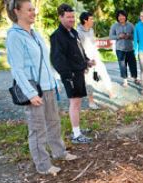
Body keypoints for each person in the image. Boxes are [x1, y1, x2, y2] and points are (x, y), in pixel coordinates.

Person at [5, 0, 77, 175]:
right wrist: (30, 94)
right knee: (38, 130)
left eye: (33, 10)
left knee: (54, 123)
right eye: (29, 10)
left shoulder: (35, 34)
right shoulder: (14, 36)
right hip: (34, 91)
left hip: (48, 86)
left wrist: (54, 81)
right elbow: (17, 68)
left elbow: (45, 61)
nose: (33, 13)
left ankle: (59, 152)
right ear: (17, 11)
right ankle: (44, 165)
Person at [50, 3, 93, 144]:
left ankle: (77, 128)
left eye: (73, 17)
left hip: (79, 72)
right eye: (68, 17)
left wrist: (86, 61)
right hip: (70, 76)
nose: (72, 19)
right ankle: (76, 135)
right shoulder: (57, 36)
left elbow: (79, 50)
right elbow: (56, 60)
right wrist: (68, 76)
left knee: (78, 102)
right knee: (74, 103)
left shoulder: (73, 32)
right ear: (60, 17)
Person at [77, 12, 116, 109]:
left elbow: (93, 43)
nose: (93, 21)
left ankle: (111, 92)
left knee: (104, 73)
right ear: (85, 20)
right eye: (91, 19)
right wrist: (85, 61)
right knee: (89, 81)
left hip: (96, 57)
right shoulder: (78, 32)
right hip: (87, 61)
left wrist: (95, 55)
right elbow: (78, 49)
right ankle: (91, 102)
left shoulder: (90, 30)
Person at [109, 10, 138, 87]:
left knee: (133, 64)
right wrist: (119, 36)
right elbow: (110, 36)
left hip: (130, 48)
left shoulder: (131, 25)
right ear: (117, 17)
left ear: (125, 17)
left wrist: (130, 36)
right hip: (120, 49)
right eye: (119, 16)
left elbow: (135, 36)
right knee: (122, 65)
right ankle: (125, 80)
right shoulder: (114, 26)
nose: (121, 17)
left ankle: (135, 78)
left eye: (123, 16)